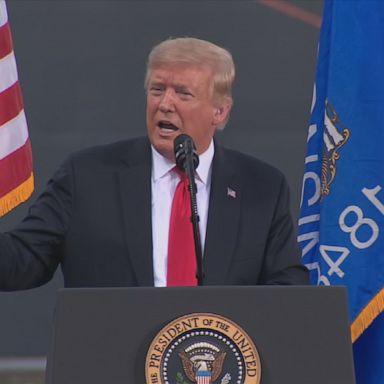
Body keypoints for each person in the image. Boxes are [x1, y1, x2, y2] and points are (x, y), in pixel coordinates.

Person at [0, 37, 308, 290]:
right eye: (157, 89)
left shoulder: (261, 187)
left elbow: (287, 286)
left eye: (183, 94)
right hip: (110, 359)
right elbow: (25, 259)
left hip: (214, 362)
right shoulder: (88, 176)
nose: (165, 104)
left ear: (220, 112)